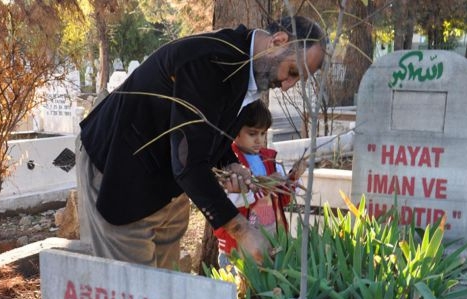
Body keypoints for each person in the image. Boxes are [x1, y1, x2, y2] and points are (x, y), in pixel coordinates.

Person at [77, 16, 326, 269]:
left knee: (162, 290)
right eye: (292, 72)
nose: (287, 86)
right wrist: (241, 230)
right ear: (279, 41)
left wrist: (229, 162)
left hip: (164, 185)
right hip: (121, 171)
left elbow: (207, 125)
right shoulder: (210, 62)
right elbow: (188, 162)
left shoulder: (247, 68)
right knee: (132, 295)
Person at [214, 99, 304, 268]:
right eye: (252, 133)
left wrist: (292, 178)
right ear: (235, 131)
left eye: (263, 134)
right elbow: (226, 207)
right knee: (238, 292)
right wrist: (269, 186)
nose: (259, 140)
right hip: (237, 247)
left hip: (270, 241)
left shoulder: (269, 160)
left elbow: (281, 201)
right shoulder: (227, 165)